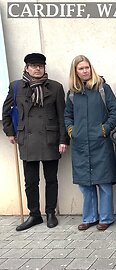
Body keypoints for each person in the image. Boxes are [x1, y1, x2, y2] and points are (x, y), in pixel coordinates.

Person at [2, 53, 68, 231]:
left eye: (40, 65)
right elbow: (6, 111)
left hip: (50, 139)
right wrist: (9, 132)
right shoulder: (16, 86)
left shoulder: (55, 87)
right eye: (33, 65)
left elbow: (63, 116)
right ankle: (34, 215)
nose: (37, 68)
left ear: (44, 67)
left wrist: (63, 139)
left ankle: (51, 213)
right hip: (27, 139)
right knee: (31, 181)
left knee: (51, 179)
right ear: (26, 67)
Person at [64, 55, 116, 231]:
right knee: (85, 184)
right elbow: (67, 115)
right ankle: (89, 218)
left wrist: (104, 129)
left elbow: (115, 112)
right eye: (81, 68)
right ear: (76, 71)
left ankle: (106, 218)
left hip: (100, 143)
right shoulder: (72, 93)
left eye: (87, 67)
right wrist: (72, 131)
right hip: (80, 144)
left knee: (103, 183)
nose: (85, 71)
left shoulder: (103, 88)